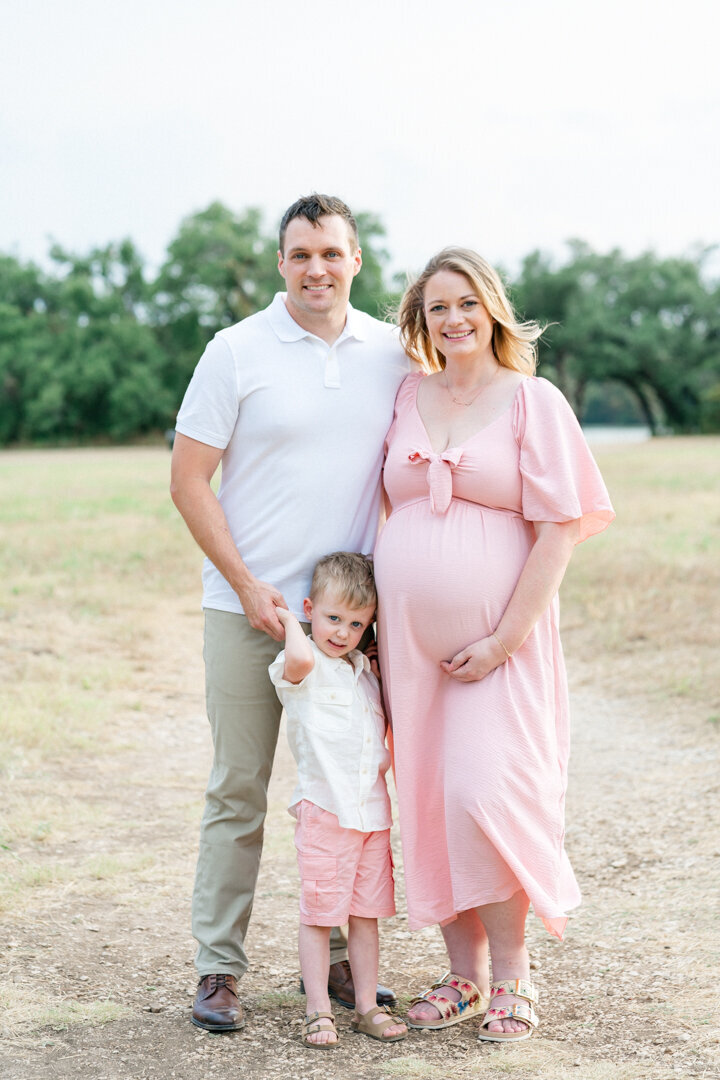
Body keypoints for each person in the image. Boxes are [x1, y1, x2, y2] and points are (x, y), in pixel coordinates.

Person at [170, 194, 409, 1032]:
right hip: (247, 612)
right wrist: (243, 584)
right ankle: (217, 970)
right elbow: (188, 480)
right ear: (281, 262)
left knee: (348, 790)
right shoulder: (235, 351)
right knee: (240, 791)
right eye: (300, 253)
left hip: (343, 630)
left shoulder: (391, 352)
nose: (317, 268)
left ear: (355, 260)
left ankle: (347, 965)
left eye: (332, 253)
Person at [373, 247, 614, 1043]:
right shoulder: (408, 393)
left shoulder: (531, 401)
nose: (454, 319)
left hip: (498, 646)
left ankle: (513, 976)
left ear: (493, 310)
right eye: (438, 307)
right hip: (410, 652)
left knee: (485, 795)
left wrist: (503, 638)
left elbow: (559, 530)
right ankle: (462, 978)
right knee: (432, 802)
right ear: (420, 320)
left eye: (467, 303)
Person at [268, 552, 408, 1048]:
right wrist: (290, 620)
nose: (342, 632)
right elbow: (303, 656)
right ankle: (318, 1008)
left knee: (365, 915)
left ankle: (366, 1006)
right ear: (310, 610)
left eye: (356, 623)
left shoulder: (364, 674)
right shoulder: (300, 665)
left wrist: (372, 655)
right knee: (320, 913)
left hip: (371, 815)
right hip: (326, 811)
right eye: (332, 618)